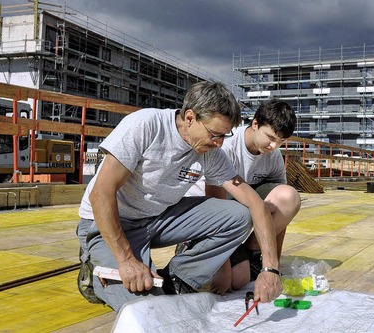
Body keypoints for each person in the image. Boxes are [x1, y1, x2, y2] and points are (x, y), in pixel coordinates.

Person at [76, 81, 282, 312]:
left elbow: (256, 205)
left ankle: (178, 279)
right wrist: (126, 261)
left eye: (225, 135)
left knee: (240, 215)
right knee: (146, 308)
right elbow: (101, 194)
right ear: (191, 117)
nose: (219, 143)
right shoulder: (147, 125)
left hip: (157, 218)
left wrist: (269, 269)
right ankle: (94, 273)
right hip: (110, 223)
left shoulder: (211, 151)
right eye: (214, 134)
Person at [186, 98, 300, 295]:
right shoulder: (226, 146)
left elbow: (282, 218)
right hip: (210, 215)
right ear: (255, 124)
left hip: (240, 214)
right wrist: (222, 267)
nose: (274, 146)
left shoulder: (272, 155)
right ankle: (189, 249)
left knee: (289, 197)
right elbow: (216, 208)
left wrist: (273, 265)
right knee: (237, 279)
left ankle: (251, 252)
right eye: (270, 137)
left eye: (280, 142)